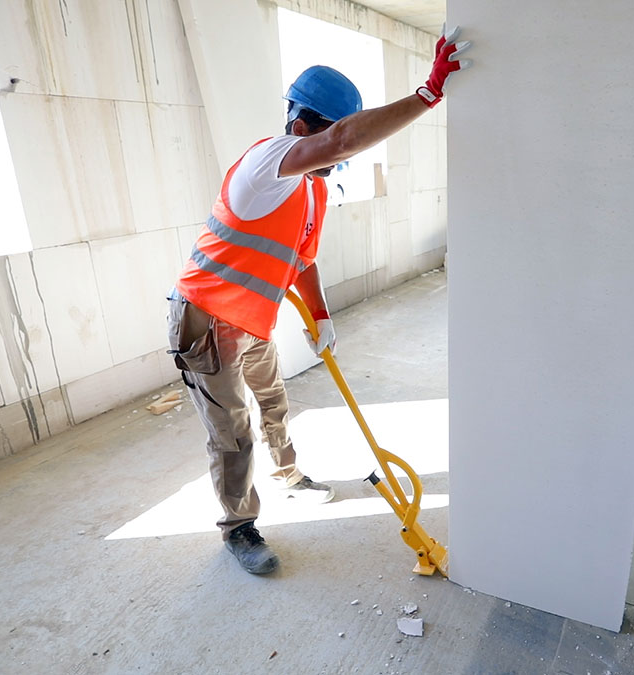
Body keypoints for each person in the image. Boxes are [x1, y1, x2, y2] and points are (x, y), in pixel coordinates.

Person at [166, 26, 472, 575]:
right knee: (233, 431)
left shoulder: (313, 187)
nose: (337, 160)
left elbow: (302, 259)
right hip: (206, 319)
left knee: (273, 401)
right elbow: (339, 144)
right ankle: (239, 528)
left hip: (252, 320)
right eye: (335, 139)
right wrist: (427, 93)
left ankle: (287, 475)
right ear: (301, 125)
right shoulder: (268, 161)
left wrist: (323, 315)